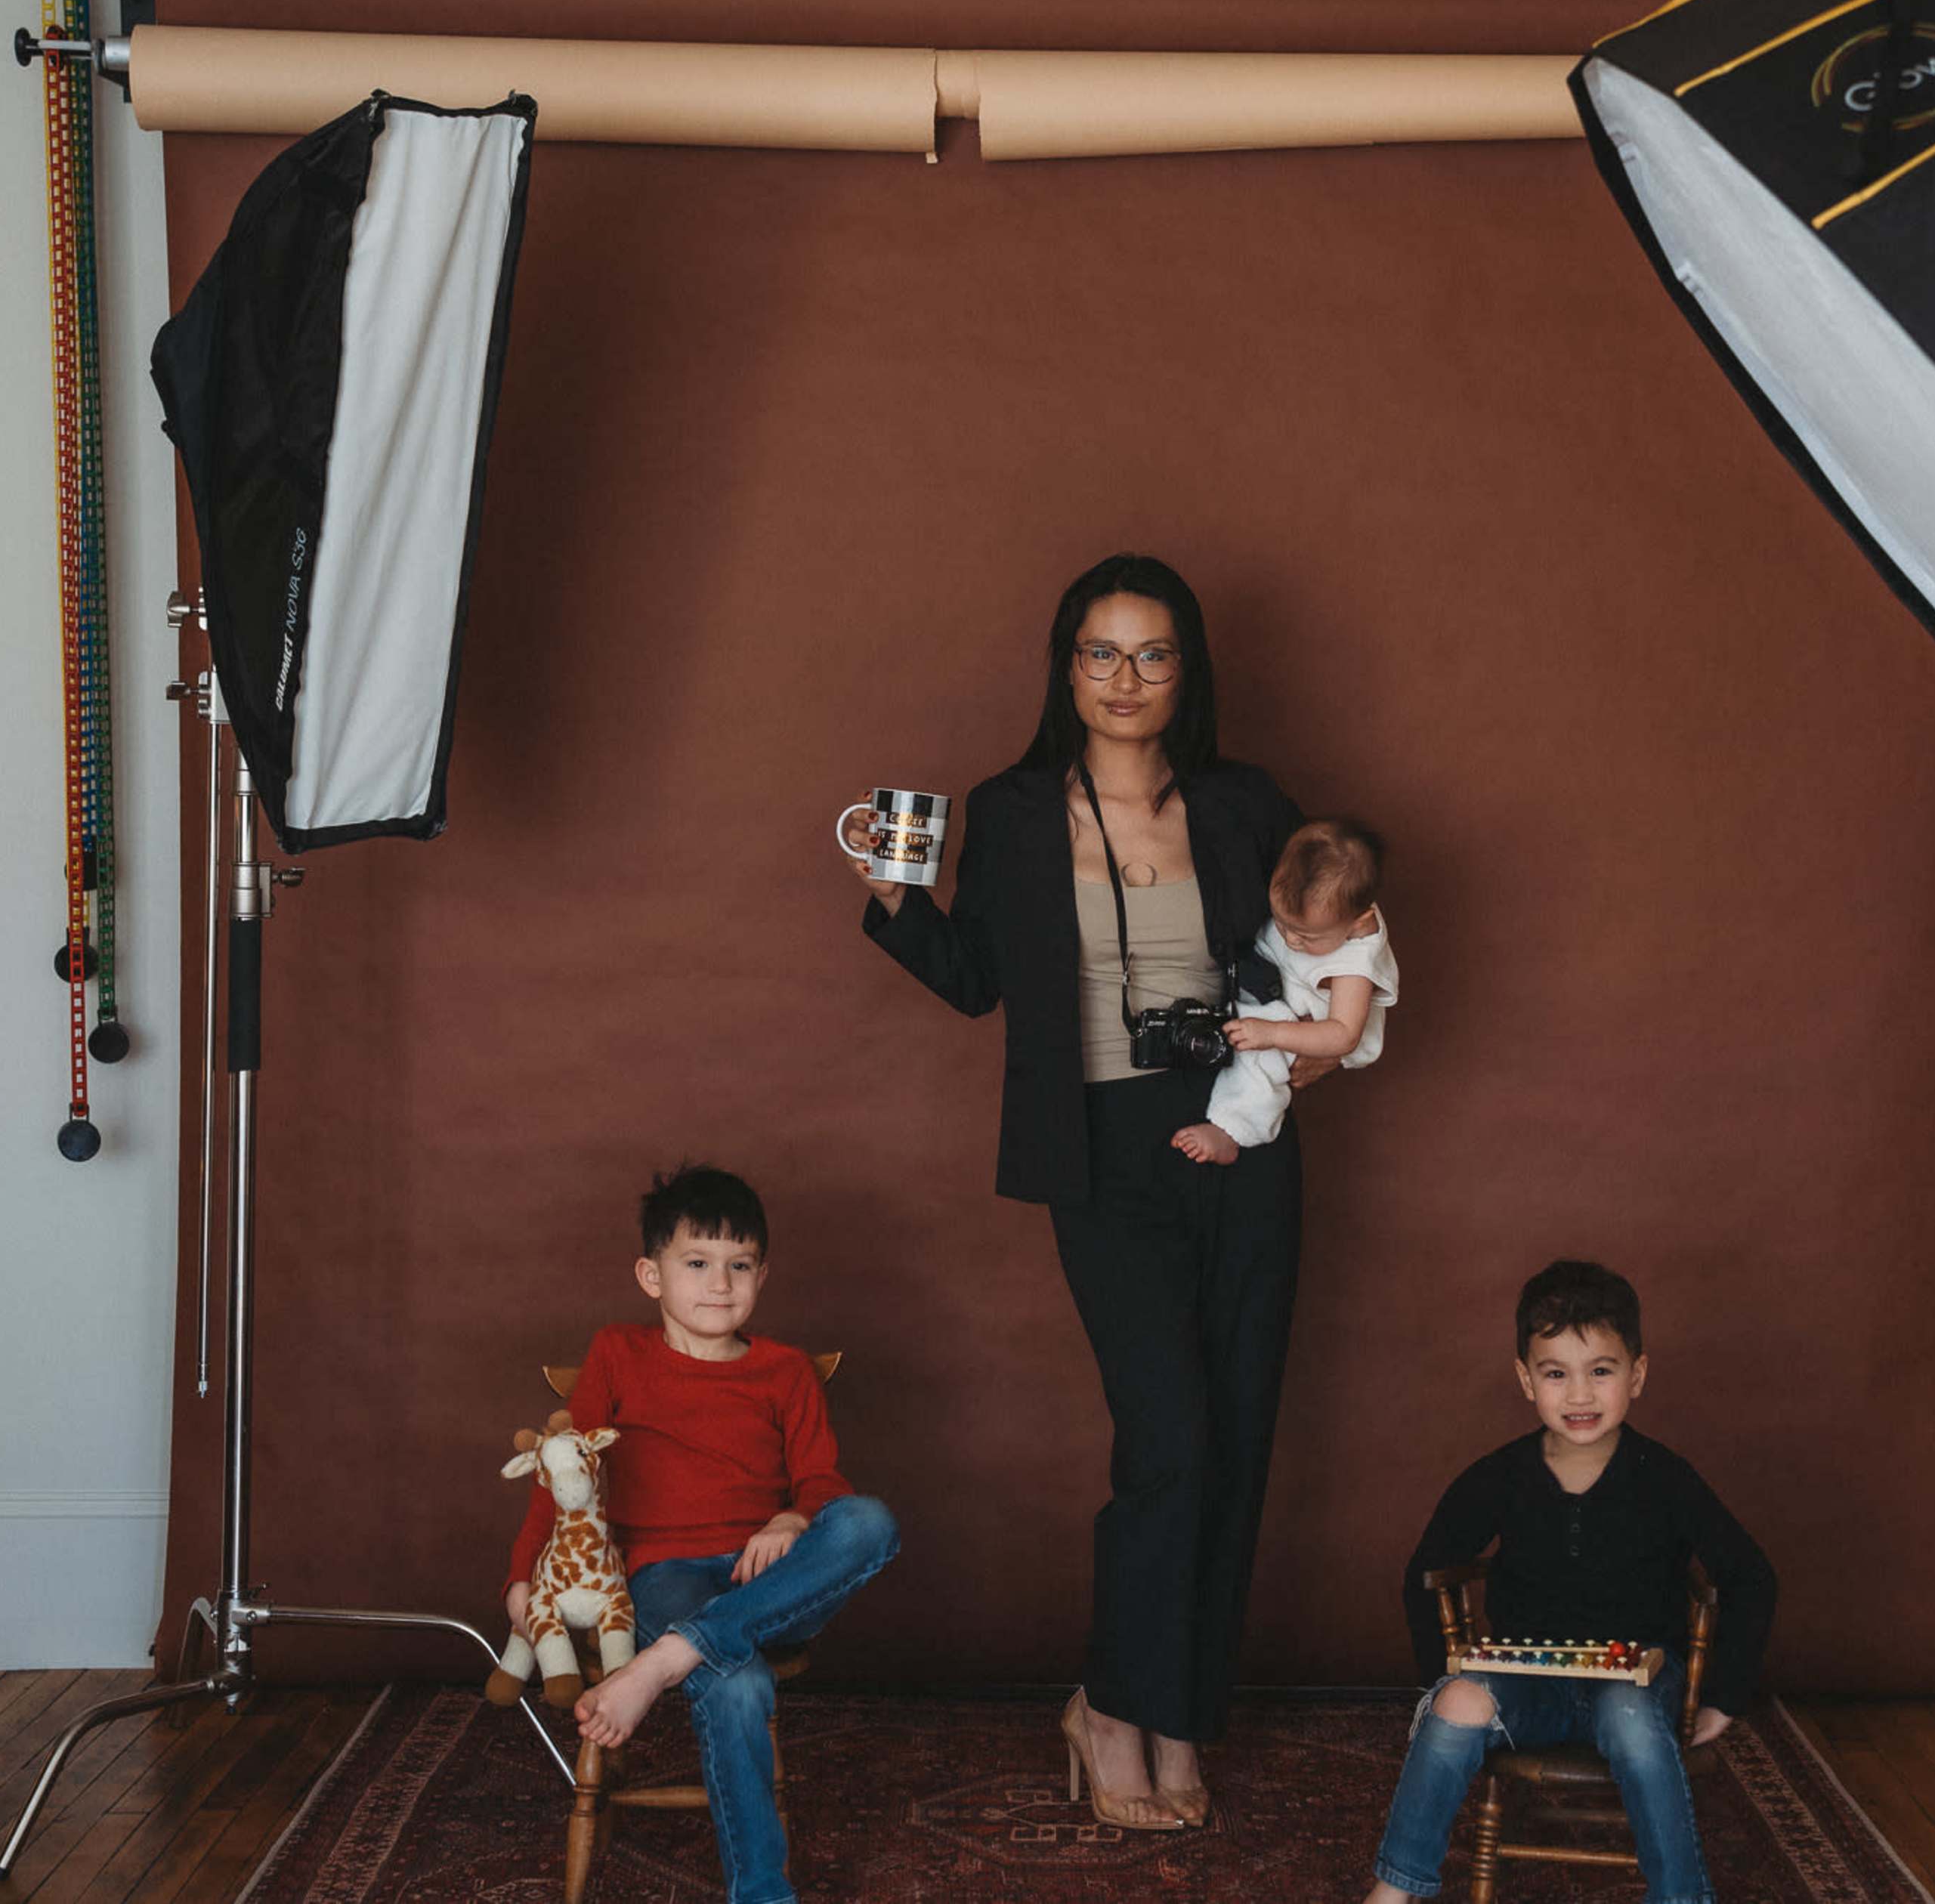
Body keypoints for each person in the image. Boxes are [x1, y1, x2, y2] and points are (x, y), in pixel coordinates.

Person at [847, 552, 1318, 1830]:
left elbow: (1319, 956)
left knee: (1234, 1436)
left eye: (1153, 654)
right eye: (1101, 652)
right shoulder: (1008, 809)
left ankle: (1178, 1712)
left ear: (1188, 672)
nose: (1126, 677)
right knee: (1168, 1433)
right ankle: (1112, 1703)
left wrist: (1298, 1051)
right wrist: (893, 898)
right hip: (1101, 1151)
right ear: (1066, 667)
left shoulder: (1246, 803)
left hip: (1239, 1137)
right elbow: (978, 978)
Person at [505, 1163, 898, 1904]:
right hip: (667, 1575)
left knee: (869, 1521)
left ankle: (661, 1665)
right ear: (651, 1276)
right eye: (697, 1263)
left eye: (739, 1266)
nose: (720, 1284)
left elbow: (821, 1482)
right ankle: (763, 1894)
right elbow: (564, 1480)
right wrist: (522, 1580)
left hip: (773, 1580)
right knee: (736, 1680)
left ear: (762, 1276)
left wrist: (789, 1519)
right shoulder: (618, 1352)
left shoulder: (785, 1372)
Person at [1365, 1260, 1776, 1904]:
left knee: (1634, 1716)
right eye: (1556, 1373)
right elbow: (1426, 1571)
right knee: (1456, 1706)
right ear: (1526, 1379)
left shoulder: (1664, 1478)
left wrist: (1723, 1696)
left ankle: (1681, 1897)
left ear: (1637, 1374)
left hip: (1637, 1686)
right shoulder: (1501, 1476)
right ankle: (1395, 1890)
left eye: (1601, 1371)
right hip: (1529, 1688)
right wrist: (1444, 1676)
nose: (1579, 1395)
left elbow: (1751, 1575)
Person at [1171, 816, 1397, 1166]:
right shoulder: (1314, 911)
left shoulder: (1357, 961)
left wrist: (1275, 1034)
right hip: (1278, 983)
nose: (1292, 939)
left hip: (1314, 1024)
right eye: (1282, 923)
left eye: (1306, 937)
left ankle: (1234, 1130)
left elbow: (1343, 1036)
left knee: (1261, 1060)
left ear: (1359, 921)